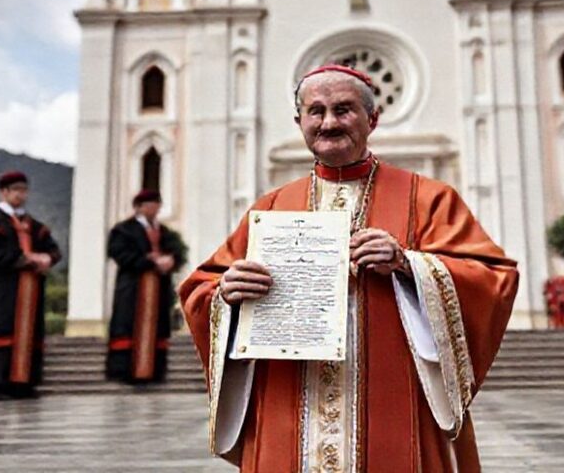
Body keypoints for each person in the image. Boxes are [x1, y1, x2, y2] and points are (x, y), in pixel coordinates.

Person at [179, 65, 520, 472]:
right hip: (289, 402)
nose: (328, 123)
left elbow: (493, 277)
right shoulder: (269, 209)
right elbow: (202, 287)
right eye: (315, 111)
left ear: (372, 118)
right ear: (299, 121)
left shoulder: (428, 199)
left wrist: (409, 264)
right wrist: (226, 294)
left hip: (393, 403)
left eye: (343, 110)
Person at [0, 171, 61, 400]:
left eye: (23, 190)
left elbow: (53, 249)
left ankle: (22, 381)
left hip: (29, 290)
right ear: (4, 192)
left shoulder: (35, 226)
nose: (20, 195)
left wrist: (48, 258)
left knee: (27, 331)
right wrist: (24, 259)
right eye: (15, 190)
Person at [105, 189, 187, 385]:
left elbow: (179, 252)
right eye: (149, 204)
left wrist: (171, 260)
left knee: (157, 325)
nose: (154, 208)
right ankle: (126, 371)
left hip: (158, 287)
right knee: (128, 324)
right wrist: (148, 261)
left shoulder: (165, 232)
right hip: (133, 287)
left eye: (156, 204)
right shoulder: (123, 230)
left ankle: (155, 372)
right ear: (139, 207)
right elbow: (118, 253)